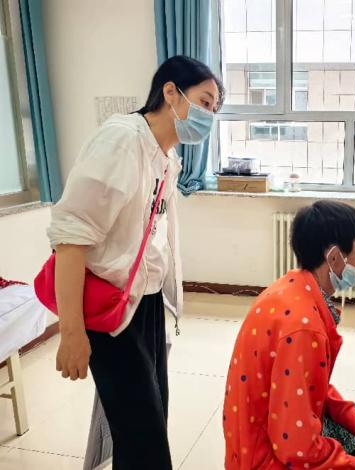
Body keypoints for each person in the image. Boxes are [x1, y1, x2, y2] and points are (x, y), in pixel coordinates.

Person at [47, 55, 224, 470]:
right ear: (170, 92)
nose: (209, 116)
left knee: (149, 417)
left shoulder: (166, 157)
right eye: (204, 101)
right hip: (107, 310)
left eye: (215, 109)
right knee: (144, 434)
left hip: (143, 302)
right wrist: (71, 333)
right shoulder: (121, 140)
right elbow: (71, 237)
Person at [223, 201, 355, 469]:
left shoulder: (289, 287)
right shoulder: (304, 328)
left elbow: (308, 388)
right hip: (266, 460)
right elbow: (296, 448)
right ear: (335, 258)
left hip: (259, 443)